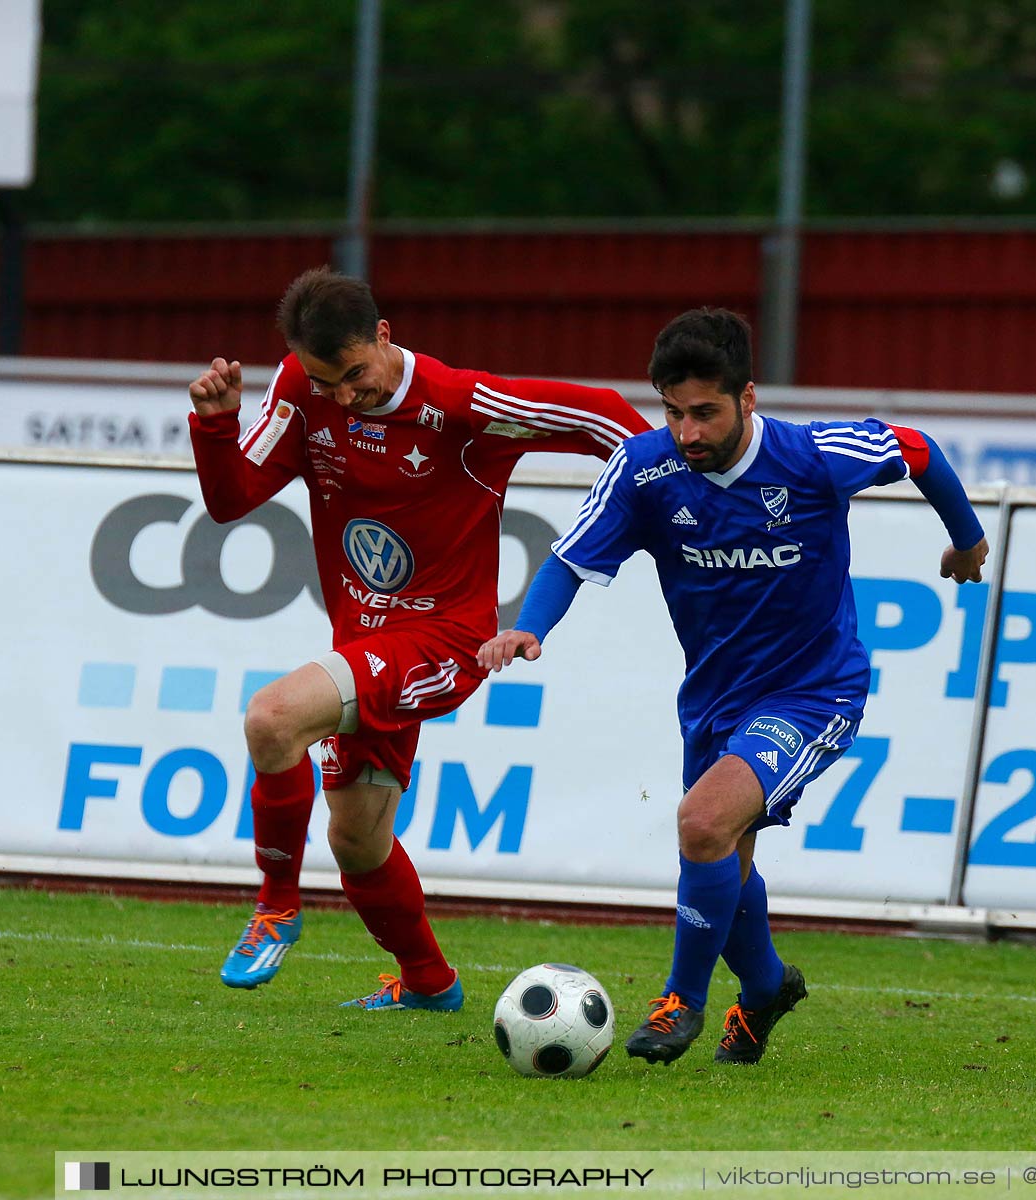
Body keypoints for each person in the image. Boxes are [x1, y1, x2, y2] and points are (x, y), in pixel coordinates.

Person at [479, 307, 988, 1065]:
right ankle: (767, 988)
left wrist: (968, 540)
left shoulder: (814, 456)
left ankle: (681, 1000)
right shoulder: (645, 470)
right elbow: (570, 559)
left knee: (703, 824)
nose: (688, 432)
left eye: (706, 412)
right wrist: (532, 626)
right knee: (725, 850)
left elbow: (916, 449)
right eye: (673, 412)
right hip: (714, 699)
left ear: (748, 397)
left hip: (815, 691)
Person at [189, 267, 650, 1010]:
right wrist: (215, 425)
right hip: (361, 643)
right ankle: (430, 985)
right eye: (324, 380)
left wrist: (678, 491)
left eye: (354, 376)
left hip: (444, 638)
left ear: (384, 336)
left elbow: (599, 417)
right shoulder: (300, 388)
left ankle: (275, 906)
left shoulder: (463, 404)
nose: (341, 395)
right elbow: (230, 497)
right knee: (358, 840)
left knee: (272, 717)